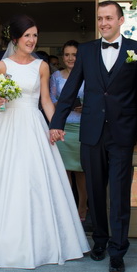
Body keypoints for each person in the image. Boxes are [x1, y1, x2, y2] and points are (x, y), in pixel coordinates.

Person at [0, 16, 89, 268]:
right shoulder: (2, 66)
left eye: (34, 35)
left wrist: (56, 126)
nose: (32, 40)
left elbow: (45, 100)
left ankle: (44, 242)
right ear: (16, 40)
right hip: (8, 125)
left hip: (33, 124)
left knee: (36, 179)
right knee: (3, 179)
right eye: (27, 36)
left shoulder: (42, 66)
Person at [50, 1, 137, 272]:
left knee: (119, 194)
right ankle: (99, 241)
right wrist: (57, 122)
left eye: (109, 18)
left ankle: (118, 250)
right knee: (95, 191)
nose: (104, 23)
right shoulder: (86, 51)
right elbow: (70, 89)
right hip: (92, 133)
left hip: (122, 133)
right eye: (99, 18)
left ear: (121, 20)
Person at [48, 40, 88, 221]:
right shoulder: (56, 76)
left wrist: (85, 106)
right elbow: (49, 102)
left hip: (82, 127)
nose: (71, 58)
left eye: (74, 54)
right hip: (63, 128)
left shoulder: (88, 75)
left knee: (81, 172)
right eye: (67, 54)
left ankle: (82, 209)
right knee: (63, 172)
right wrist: (66, 103)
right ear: (63, 57)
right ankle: (67, 210)